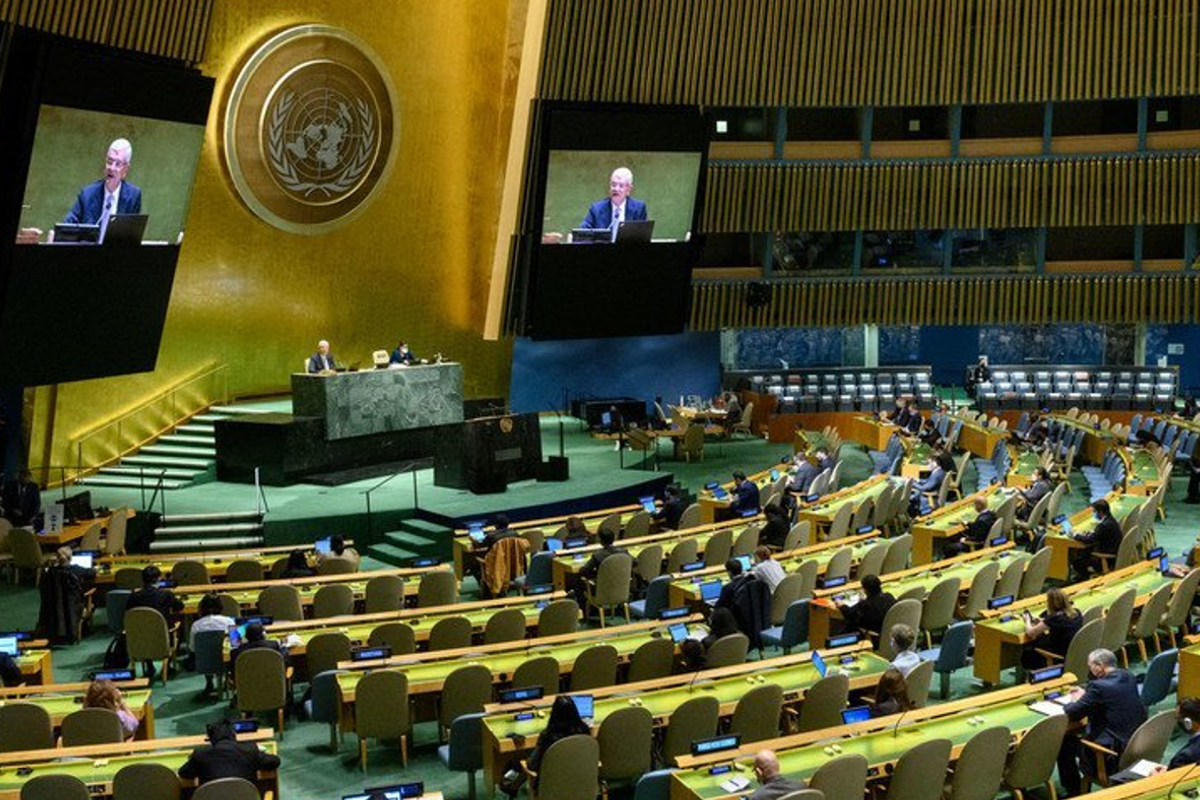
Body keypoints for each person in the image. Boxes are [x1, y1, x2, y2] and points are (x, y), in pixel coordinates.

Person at [1057, 648, 1147, 796]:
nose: (1090, 670)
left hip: (1111, 755)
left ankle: (1073, 792)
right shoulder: (1128, 676)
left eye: (1090, 666)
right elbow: (1109, 696)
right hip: (1134, 744)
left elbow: (1072, 713)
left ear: (1099, 666)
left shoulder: (1098, 687)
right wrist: (1087, 696)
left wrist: (1075, 699)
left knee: (1065, 743)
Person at [62, 138, 142, 238]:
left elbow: (132, 237)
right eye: (109, 161)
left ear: (125, 170)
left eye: (117, 164)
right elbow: (67, 227)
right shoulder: (87, 194)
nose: (111, 168)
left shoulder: (134, 196)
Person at [1110, 698, 1200, 783]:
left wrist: (1155, 776)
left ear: (1188, 723)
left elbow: (1169, 783)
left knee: (1118, 779)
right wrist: (1169, 768)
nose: (1176, 721)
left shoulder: (1186, 755)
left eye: (1177, 718)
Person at [519, 695, 591, 794]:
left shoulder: (548, 736)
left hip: (552, 789)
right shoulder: (585, 731)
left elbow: (532, 765)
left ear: (554, 713)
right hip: (583, 785)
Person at [178, 718, 281, 786]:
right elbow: (275, 761)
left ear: (210, 738)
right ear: (233, 734)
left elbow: (183, 773)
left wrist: (193, 760)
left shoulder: (200, 754)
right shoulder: (249, 750)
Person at [36, 546, 95, 645]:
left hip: (52, 607)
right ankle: (84, 629)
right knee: (92, 599)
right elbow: (92, 572)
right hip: (74, 607)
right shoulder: (76, 570)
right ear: (71, 558)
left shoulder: (49, 573)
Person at [1020, 588, 1083, 670]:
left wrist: (1027, 621)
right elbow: (1060, 624)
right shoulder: (1077, 612)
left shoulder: (1055, 618)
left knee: (1028, 650)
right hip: (1072, 649)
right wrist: (1043, 621)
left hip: (1058, 653)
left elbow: (1031, 633)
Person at [190, 593, 235, 697]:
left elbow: (192, 648)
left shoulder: (196, 625)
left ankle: (209, 682)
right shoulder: (229, 621)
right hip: (226, 662)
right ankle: (228, 680)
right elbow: (235, 643)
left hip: (204, 663)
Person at [580, 167, 647, 234]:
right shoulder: (596, 209)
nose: (616, 189)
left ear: (628, 189)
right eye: (613, 185)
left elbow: (643, 236)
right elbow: (582, 232)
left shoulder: (639, 209)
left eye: (621, 186)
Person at [1071, 499, 1124, 577]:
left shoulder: (1103, 525)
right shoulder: (1111, 520)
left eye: (1095, 512)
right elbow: (1098, 535)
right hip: (1112, 552)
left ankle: (1083, 579)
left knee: (1078, 561)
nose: (1094, 514)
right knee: (1083, 553)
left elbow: (1089, 540)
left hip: (1106, 558)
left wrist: (1075, 535)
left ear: (1101, 512)